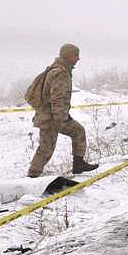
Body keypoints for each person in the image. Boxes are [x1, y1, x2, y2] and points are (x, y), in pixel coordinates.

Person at [26, 44, 99, 177]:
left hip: (52, 115)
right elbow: (58, 98)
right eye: (76, 55)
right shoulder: (60, 73)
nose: (78, 58)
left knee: (77, 131)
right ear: (68, 55)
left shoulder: (57, 69)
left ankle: (78, 164)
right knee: (46, 148)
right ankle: (32, 177)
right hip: (52, 118)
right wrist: (59, 120)